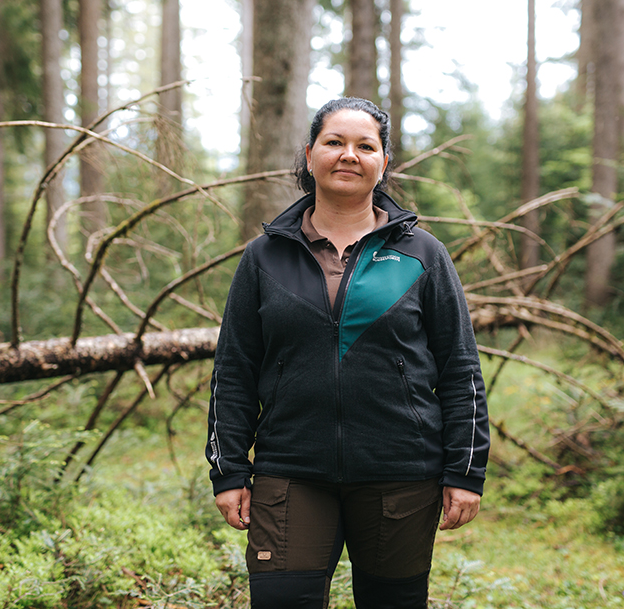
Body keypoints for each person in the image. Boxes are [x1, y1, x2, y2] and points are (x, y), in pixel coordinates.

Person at [206, 97, 489, 609]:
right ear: (310, 155)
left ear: (383, 163)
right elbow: (235, 370)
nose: (349, 155)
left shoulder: (422, 254)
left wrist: (464, 472)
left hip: (400, 473)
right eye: (334, 142)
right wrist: (229, 470)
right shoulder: (264, 256)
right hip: (291, 470)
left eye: (366, 146)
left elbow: (460, 368)